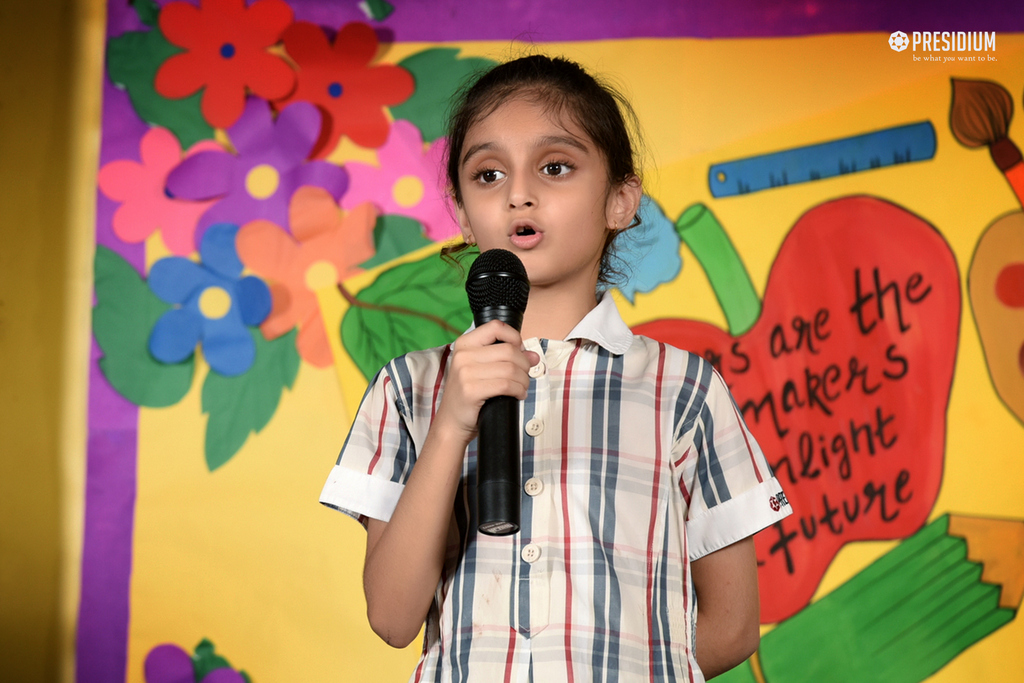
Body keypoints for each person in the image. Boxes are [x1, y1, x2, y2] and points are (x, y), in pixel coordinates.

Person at [319, 54, 792, 682]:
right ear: (462, 213)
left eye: (555, 167)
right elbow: (392, 617)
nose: (519, 192)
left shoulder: (684, 390)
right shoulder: (408, 388)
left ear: (621, 201)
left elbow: (732, 626)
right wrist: (451, 425)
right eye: (488, 174)